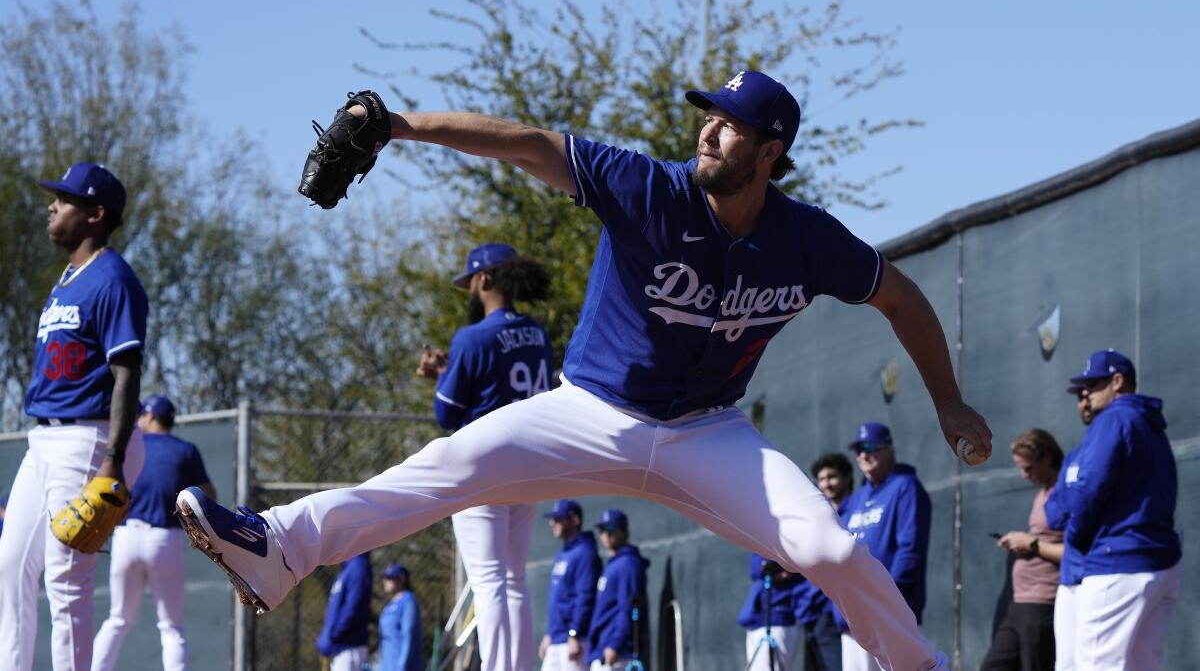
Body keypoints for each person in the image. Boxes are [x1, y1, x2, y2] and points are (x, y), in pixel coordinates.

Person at [177, 69, 994, 671]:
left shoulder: (808, 238)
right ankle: (278, 547)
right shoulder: (649, 189)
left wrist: (949, 401)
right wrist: (398, 125)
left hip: (709, 432)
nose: (709, 129)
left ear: (771, 149)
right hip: (592, 410)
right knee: (447, 466)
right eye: (708, 115)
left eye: (732, 123)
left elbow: (902, 298)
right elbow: (534, 145)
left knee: (833, 550)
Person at [0, 163, 148, 671]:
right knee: (12, 566)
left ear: (94, 214)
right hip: (43, 439)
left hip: (89, 437)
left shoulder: (113, 279)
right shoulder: (66, 281)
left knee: (66, 581)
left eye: (63, 200)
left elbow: (127, 373)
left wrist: (113, 460)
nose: (51, 206)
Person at [416, 242, 554, 671]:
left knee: (488, 579)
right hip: (530, 465)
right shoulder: (537, 333)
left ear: (485, 280)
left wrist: (442, 371)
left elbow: (446, 413)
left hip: (485, 467)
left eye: (471, 283)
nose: (470, 292)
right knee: (513, 579)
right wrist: (449, 368)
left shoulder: (472, 337)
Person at [1061, 350, 1182, 669]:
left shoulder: (1114, 417)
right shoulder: (1150, 425)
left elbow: (1090, 488)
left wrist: (1076, 538)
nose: (1085, 393)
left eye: (1094, 384)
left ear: (1118, 382)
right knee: (1142, 665)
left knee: (1095, 666)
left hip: (1118, 561)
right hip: (1161, 562)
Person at [92, 395, 216, 671]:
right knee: (171, 627)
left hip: (126, 536)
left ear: (149, 417)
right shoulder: (185, 451)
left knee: (117, 619)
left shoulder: (130, 448)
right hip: (164, 538)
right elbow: (209, 496)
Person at [838, 422, 932, 671]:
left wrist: (885, 596)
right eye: (858, 449)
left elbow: (909, 549)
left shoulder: (905, 486)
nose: (863, 454)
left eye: (870, 446)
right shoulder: (855, 499)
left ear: (888, 448)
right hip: (854, 614)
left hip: (890, 611)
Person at [979, 429, 1064, 671]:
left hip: (1041, 604)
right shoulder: (1043, 494)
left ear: (1047, 457)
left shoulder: (1067, 493)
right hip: (1018, 604)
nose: (1024, 475)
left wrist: (1031, 544)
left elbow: (1074, 551)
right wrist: (1019, 544)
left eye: (1029, 468)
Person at [1042, 383, 1089, 671]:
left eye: (1091, 389)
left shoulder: (1123, 432)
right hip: (1070, 575)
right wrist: (1077, 499)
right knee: (1066, 664)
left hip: (1098, 570)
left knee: (1096, 662)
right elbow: (1055, 513)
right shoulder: (1075, 455)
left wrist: (1075, 499)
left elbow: (1088, 502)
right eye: (1080, 394)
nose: (1084, 400)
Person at [795, 453, 855, 671]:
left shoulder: (856, 510)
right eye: (821, 479)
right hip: (812, 614)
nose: (826, 484)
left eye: (832, 477)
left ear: (847, 477)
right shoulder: (820, 516)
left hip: (837, 613)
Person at [540, 500, 601, 671]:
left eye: (558, 519)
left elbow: (585, 596)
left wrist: (574, 633)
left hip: (574, 639)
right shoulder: (562, 553)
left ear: (574, 520)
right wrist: (549, 634)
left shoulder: (585, 553)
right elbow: (559, 600)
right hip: (556, 638)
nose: (552, 523)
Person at [588, 509, 649, 671]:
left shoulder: (628, 564)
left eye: (610, 529)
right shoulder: (614, 564)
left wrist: (615, 644)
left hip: (617, 654)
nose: (605, 535)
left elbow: (627, 609)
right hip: (603, 651)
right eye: (602, 530)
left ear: (623, 530)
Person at [738, 553, 802, 671]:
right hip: (757, 621)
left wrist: (783, 569)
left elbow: (796, 569)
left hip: (781, 621)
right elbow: (757, 568)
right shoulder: (761, 543)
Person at [316, 553, 373, 671]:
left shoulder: (359, 566)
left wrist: (333, 635)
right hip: (338, 647)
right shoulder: (347, 568)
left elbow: (353, 607)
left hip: (348, 646)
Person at [378, 563, 422, 671]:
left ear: (402, 579)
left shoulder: (408, 601)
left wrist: (402, 665)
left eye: (389, 578)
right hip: (387, 663)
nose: (385, 581)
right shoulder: (390, 604)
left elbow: (409, 634)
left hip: (401, 665)